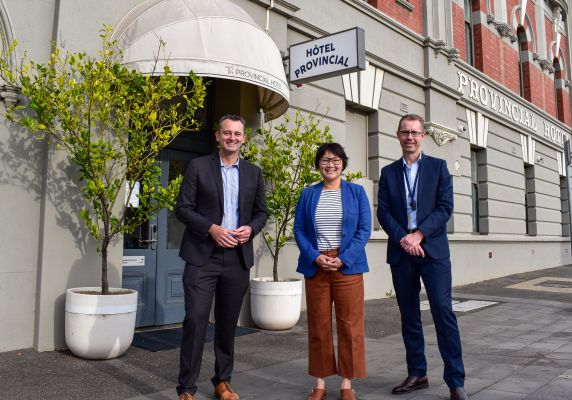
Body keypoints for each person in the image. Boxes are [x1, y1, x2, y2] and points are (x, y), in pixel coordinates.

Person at [175, 115, 268, 400]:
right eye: (227, 133)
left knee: (228, 323)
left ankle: (222, 381)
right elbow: (183, 208)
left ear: (243, 138)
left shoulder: (254, 172)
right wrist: (212, 229)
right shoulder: (198, 167)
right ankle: (187, 388)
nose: (232, 137)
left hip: (236, 258)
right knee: (196, 319)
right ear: (218, 136)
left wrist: (250, 229)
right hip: (203, 256)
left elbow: (261, 212)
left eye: (237, 134)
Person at [377, 114, 468, 400]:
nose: (410, 137)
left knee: (443, 311)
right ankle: (417, 373)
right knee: (409, 316)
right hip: (402, 252)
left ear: (423, 136)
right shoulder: (388, 172)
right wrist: (404, 238)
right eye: (405, 132)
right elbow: (383, 211)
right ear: (398, 135)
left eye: (415, 132)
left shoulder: (439, 168)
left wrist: (420, 235)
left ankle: (455, 381)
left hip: (433, 251)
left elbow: (445, 207)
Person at [294, 142, 372, 400]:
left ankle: (347, 384)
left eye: (336, 160)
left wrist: (343, 258)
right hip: (316, 266)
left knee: (350, 326)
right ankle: (320, 383)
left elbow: (364, 230)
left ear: (343, 163)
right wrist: (316, 257)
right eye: (325, 160)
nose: (331, 164)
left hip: (347, 266)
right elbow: (300, 231)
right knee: (319, 325)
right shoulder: (308, 194)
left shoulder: (356, 192)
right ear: (318, 164)